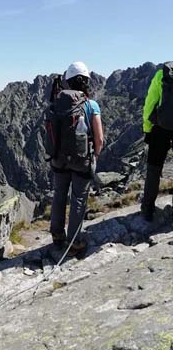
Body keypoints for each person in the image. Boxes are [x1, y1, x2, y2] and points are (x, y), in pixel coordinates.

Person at [50, 61, 104, 257]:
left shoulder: (56, 102)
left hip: (58, 159)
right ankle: (75, 243)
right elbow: (99, 138)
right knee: (78, 198)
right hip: (82, 160)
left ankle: (57, 236)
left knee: (59, 195)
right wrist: (95, 156)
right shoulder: (91, 105)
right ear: (86, 82)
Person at [141, 62, 173, 221]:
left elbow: (150, 103)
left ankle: (147, 208)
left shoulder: (162, 74)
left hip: (160, 128)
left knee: (153, 169)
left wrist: (147, 129)